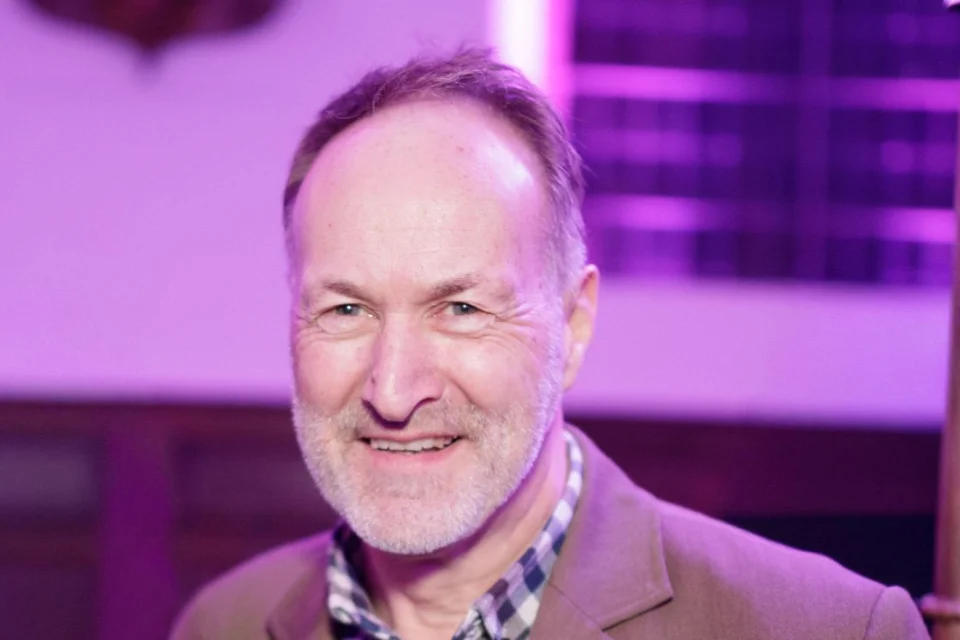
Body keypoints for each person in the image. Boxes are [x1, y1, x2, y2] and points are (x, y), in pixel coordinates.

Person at [171, 48, 929, 640]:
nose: (393, 390)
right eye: (345, 310)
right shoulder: (225, 624)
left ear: (572, 328)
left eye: (461, 307)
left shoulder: (826, 630)